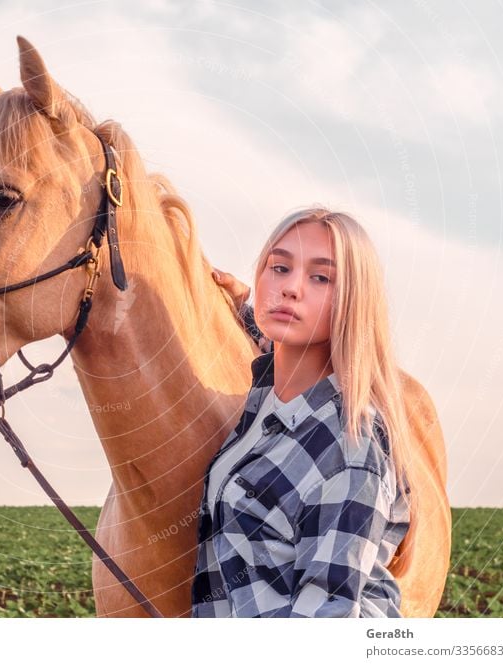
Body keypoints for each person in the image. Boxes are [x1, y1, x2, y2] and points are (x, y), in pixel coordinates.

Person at [192, 206, 414, 617]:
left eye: (320, 277)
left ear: (354, 301)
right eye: (279, 268)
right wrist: (245, 307)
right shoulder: (273, 394)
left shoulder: (349, 451)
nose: (290, 288)